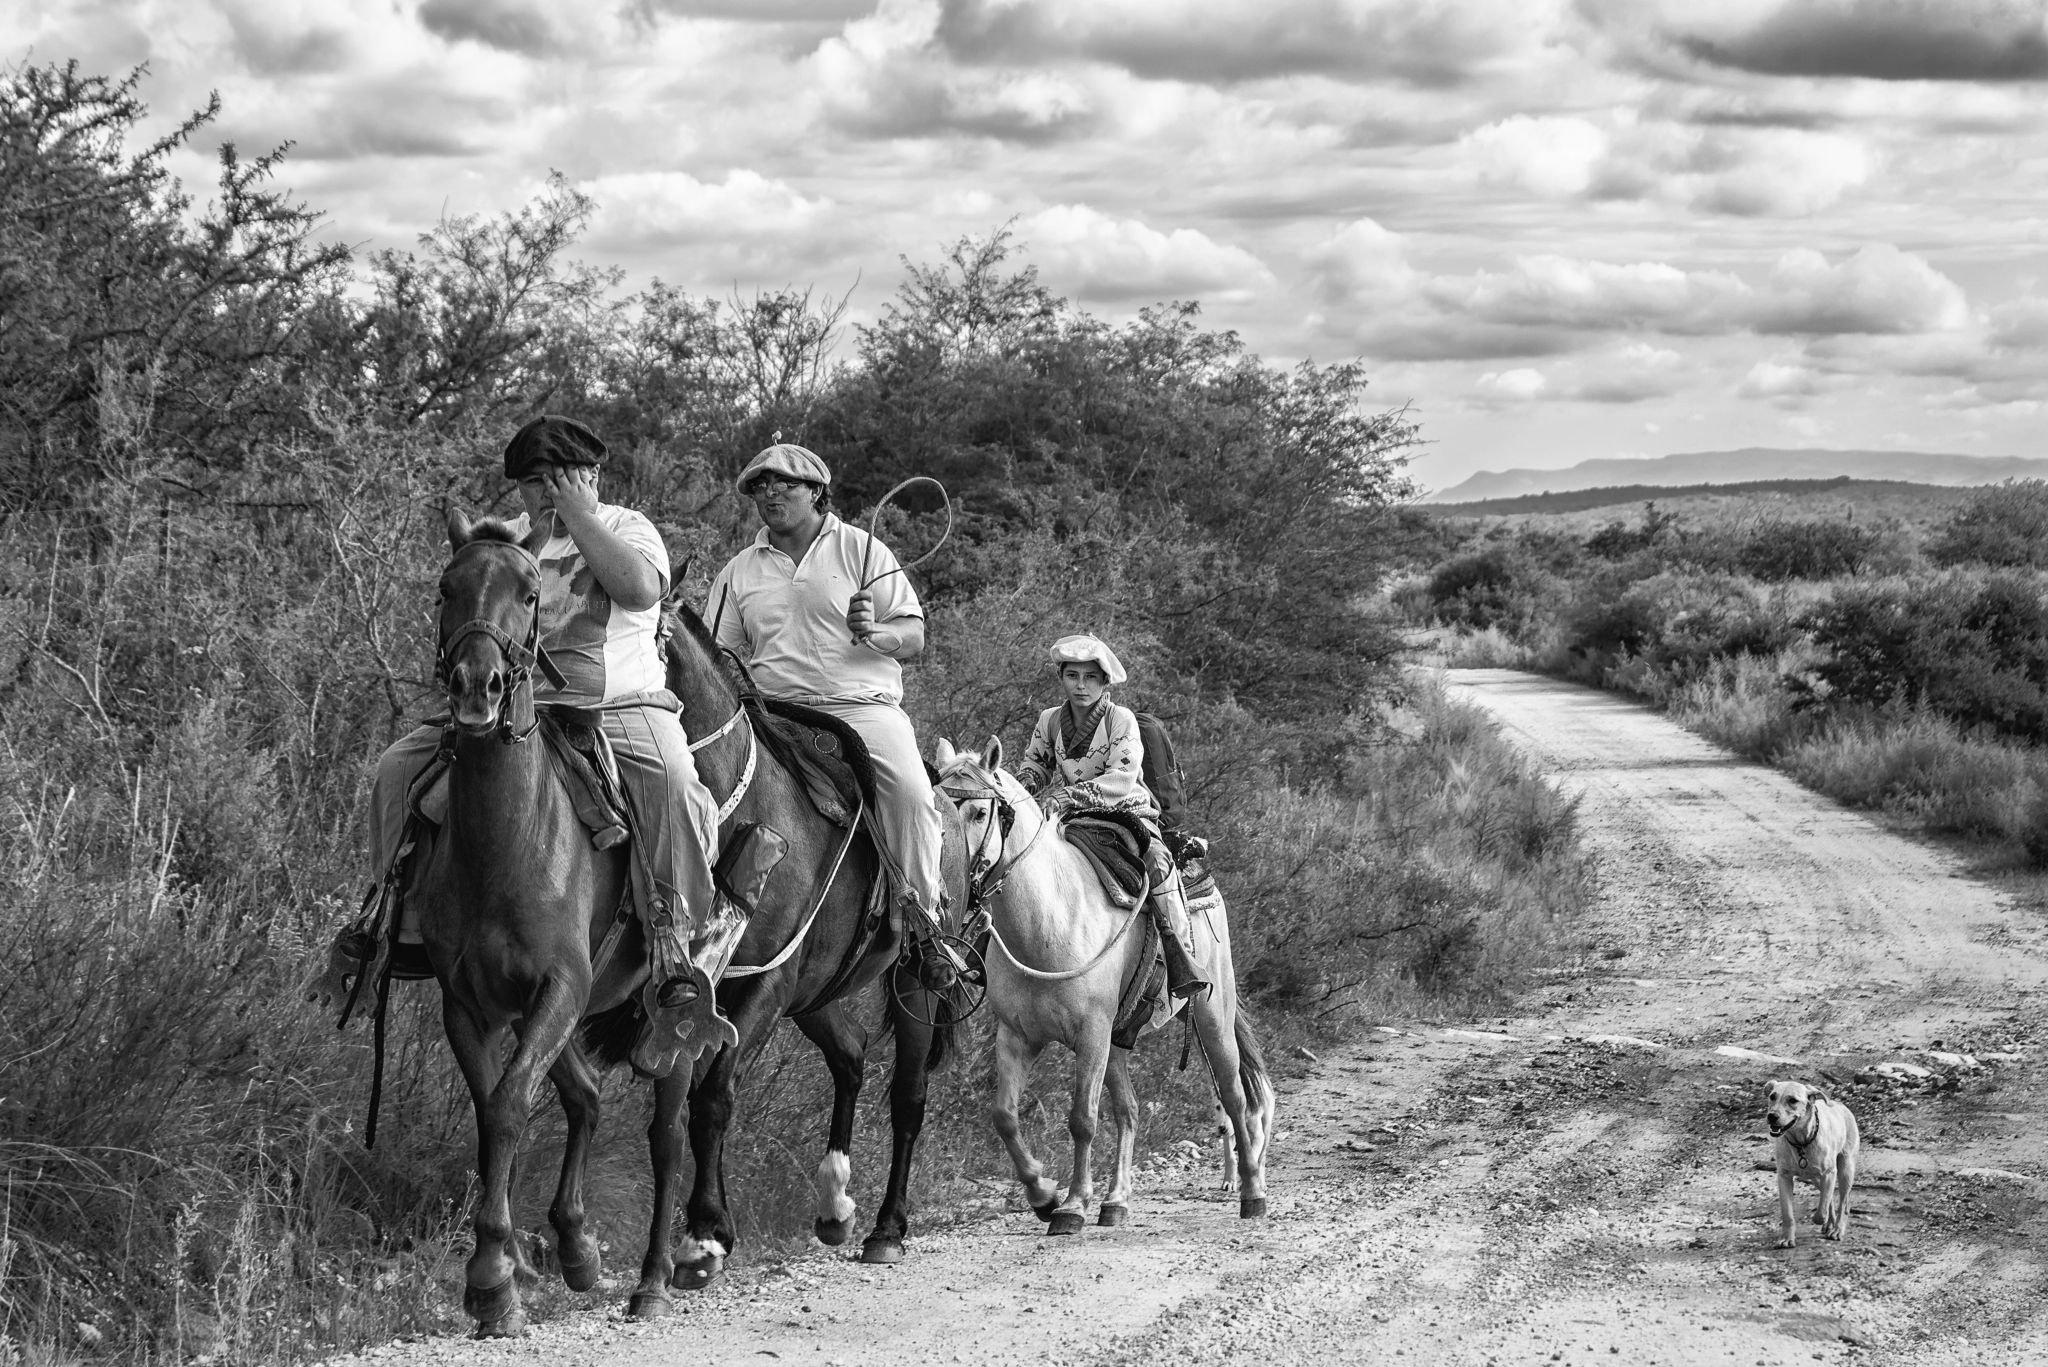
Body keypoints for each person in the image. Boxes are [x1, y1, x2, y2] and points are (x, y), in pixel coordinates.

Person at [337, 415, 726, 1075]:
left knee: (675, 784)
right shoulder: (510, 538)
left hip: (618, 705)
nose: (543, 495)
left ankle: (679, 946)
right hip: (517, 704)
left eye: (559, 481)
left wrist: (580, 518)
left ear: (590, 478)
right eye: (532, 484)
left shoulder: (628, 529)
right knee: (396, 767)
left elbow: (637, 589)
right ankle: (387, 919)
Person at [706, 441, 965, 987]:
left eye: (784, 484)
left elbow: (914, 635)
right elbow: (719, 655)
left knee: (915, 797)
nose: (770, 492)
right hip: (773, 713)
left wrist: (878, 633)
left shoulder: (862, 551)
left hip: (860, 709)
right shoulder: (738, 572)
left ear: (817, 491)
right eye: (760, 485)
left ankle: (926, 926)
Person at [1015, 633, 1210, 1000]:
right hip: (1072, 816)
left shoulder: (1120, 719)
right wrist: (1017, 790)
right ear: (1061, 677)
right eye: (1072, 676)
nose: (1081, 685)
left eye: (1090, 677)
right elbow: (1035, 767)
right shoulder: (1050, 720)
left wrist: (1065, 796)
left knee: (1156, 860)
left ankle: (1180, 952)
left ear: (1104, 682)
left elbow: (1121, 779)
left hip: (1125, 812)